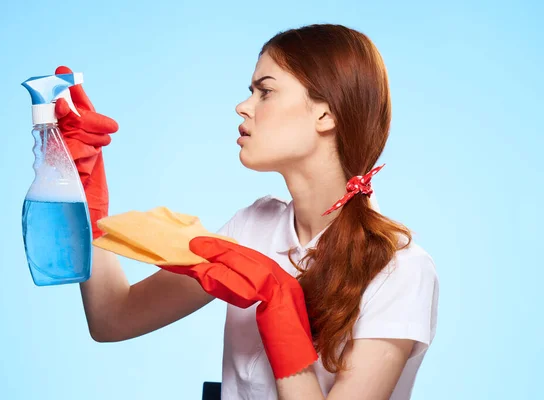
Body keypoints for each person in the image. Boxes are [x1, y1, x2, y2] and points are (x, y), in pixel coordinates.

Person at [55, 23, 439, 400]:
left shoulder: (399, 271)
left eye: (265, 92)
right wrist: (85, 201)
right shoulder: (253, 226)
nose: (243, 106)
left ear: (326, 115)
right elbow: (113, 318)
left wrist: (282, 309)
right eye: (250, 91)